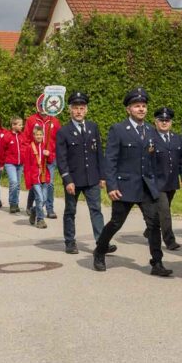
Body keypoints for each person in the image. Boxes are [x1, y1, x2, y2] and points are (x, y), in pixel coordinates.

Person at [93, 88, 170, 277]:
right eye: (137, 106)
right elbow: (110, 160)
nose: (141, 109)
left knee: (153, 225)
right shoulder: (118, 130)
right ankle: (100, 251)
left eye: (144, 106)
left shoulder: (152, 131)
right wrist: (112, 186)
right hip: (125, 186)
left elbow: (153, 160)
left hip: (146, 187)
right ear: (129, 109)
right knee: (116, 223)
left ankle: (157, 263)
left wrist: (157, 183)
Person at [55, 92, 106, 255]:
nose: (78, 111)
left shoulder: (93, 127)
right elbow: (61, 159)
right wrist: (67, 179)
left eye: (81, 108)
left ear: (86, 110)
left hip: (92, 178)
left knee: (96, 210)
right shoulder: (63, 132)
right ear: (70, 110)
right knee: (70, 211)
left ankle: (101, 241)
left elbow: (99, 153)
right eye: (75, 108)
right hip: (73, 180)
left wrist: (103, 176)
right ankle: (70, 241)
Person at [151, 106, 182, 251]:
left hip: (171, 182)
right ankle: (169, 240)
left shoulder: (177, 138)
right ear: (155, 122)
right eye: (161, 120)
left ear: (171, 122)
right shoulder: (150, 138)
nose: (164, 123)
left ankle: (150, 230)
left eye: (167, 120)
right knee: (165, 212)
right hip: (157, 183)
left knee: (161, 211)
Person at [25, 100, 62, 220]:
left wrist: (53, 153)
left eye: (46, 105)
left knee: (49, 184)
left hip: (49, 158)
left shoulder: (55, 121)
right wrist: (29, 152)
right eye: (42, 105)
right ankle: (31, 206)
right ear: (39, 106)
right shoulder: (31, 120)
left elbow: (59, 140)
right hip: (35, 156)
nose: (44, 108)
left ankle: (49, 208)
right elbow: (26, 138)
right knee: (35, 182)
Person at [24, 125, 50, 229]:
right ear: (34, 135)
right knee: (39, 198)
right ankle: (40, 220)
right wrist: (28, 181)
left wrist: (48, 155)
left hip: (44, 177)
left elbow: (51, 161)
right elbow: (27, 166)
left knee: (44, 199)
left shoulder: (46, 146)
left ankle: (34, 211)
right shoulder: (29, 148)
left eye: (41, 134)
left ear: (43, 135)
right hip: (35, 178)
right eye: (37, 135)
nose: (39, 136)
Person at [2, 116, 25, 214]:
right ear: (13, 125)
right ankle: (12, 203)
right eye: (19, 125)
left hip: (20, 164)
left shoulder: (22, 136)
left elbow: (25, 149)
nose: (21, 126)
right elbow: (2, 152)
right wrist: (1, 164)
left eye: (21, 124)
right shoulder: (7, 136)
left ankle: (16, 203)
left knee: (18, 184)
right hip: (10, 163)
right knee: (14, 182)